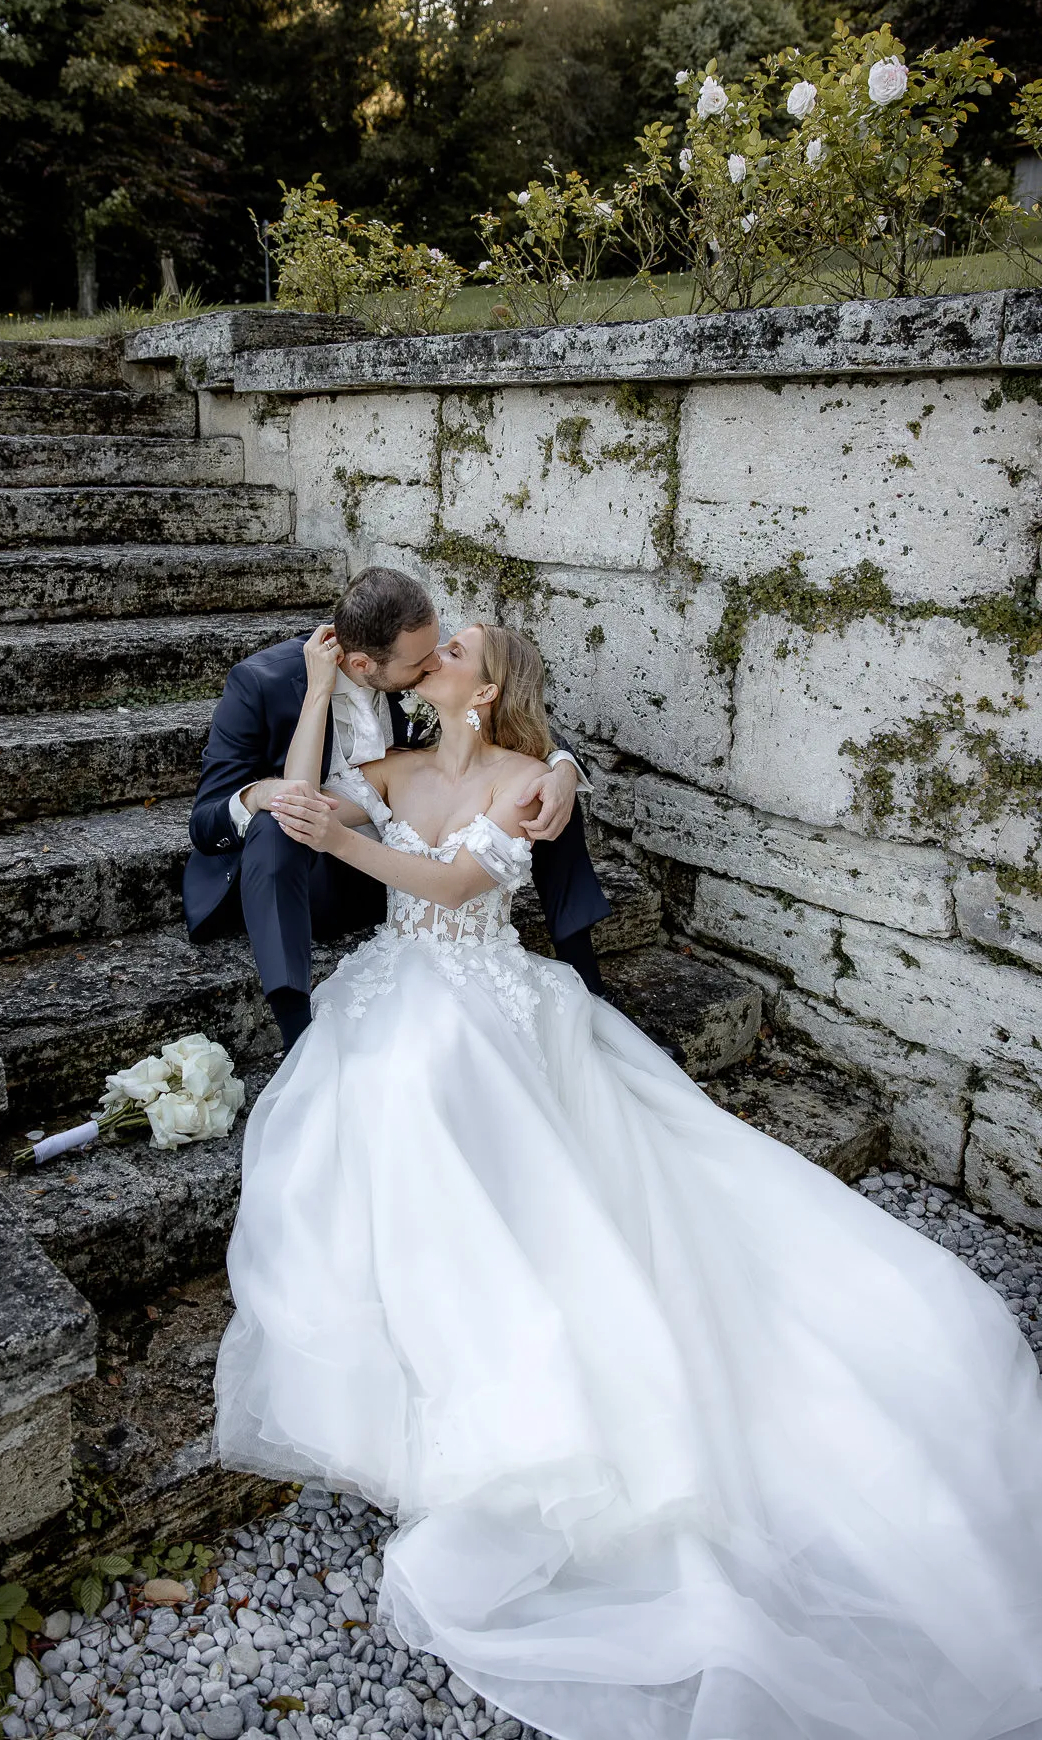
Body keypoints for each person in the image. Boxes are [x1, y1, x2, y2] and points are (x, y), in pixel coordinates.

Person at [212, 619, 1042, 1740]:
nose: (434, 651)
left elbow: (454, 885)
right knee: (382, 1076)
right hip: (396, 986)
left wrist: (405, 821)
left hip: (480, 991)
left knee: (435, 1071)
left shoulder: (524, 782)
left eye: (453, 645)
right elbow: (309, 797)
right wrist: (314, 702)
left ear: (488, 684)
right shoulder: (393, 764)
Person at [183, 565, 610, 1051]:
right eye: (426, 657)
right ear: (365, 665)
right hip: (306, 873)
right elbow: (218, 820)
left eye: (444, 648)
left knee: (544, 798)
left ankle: (589, 986)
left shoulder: (412, 666)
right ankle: (296, 1027)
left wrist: (561, 768)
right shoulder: (262, 683)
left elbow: (512, 714)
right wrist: (300, 726)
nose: (433, 662)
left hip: (396, 872)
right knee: (278, 819)